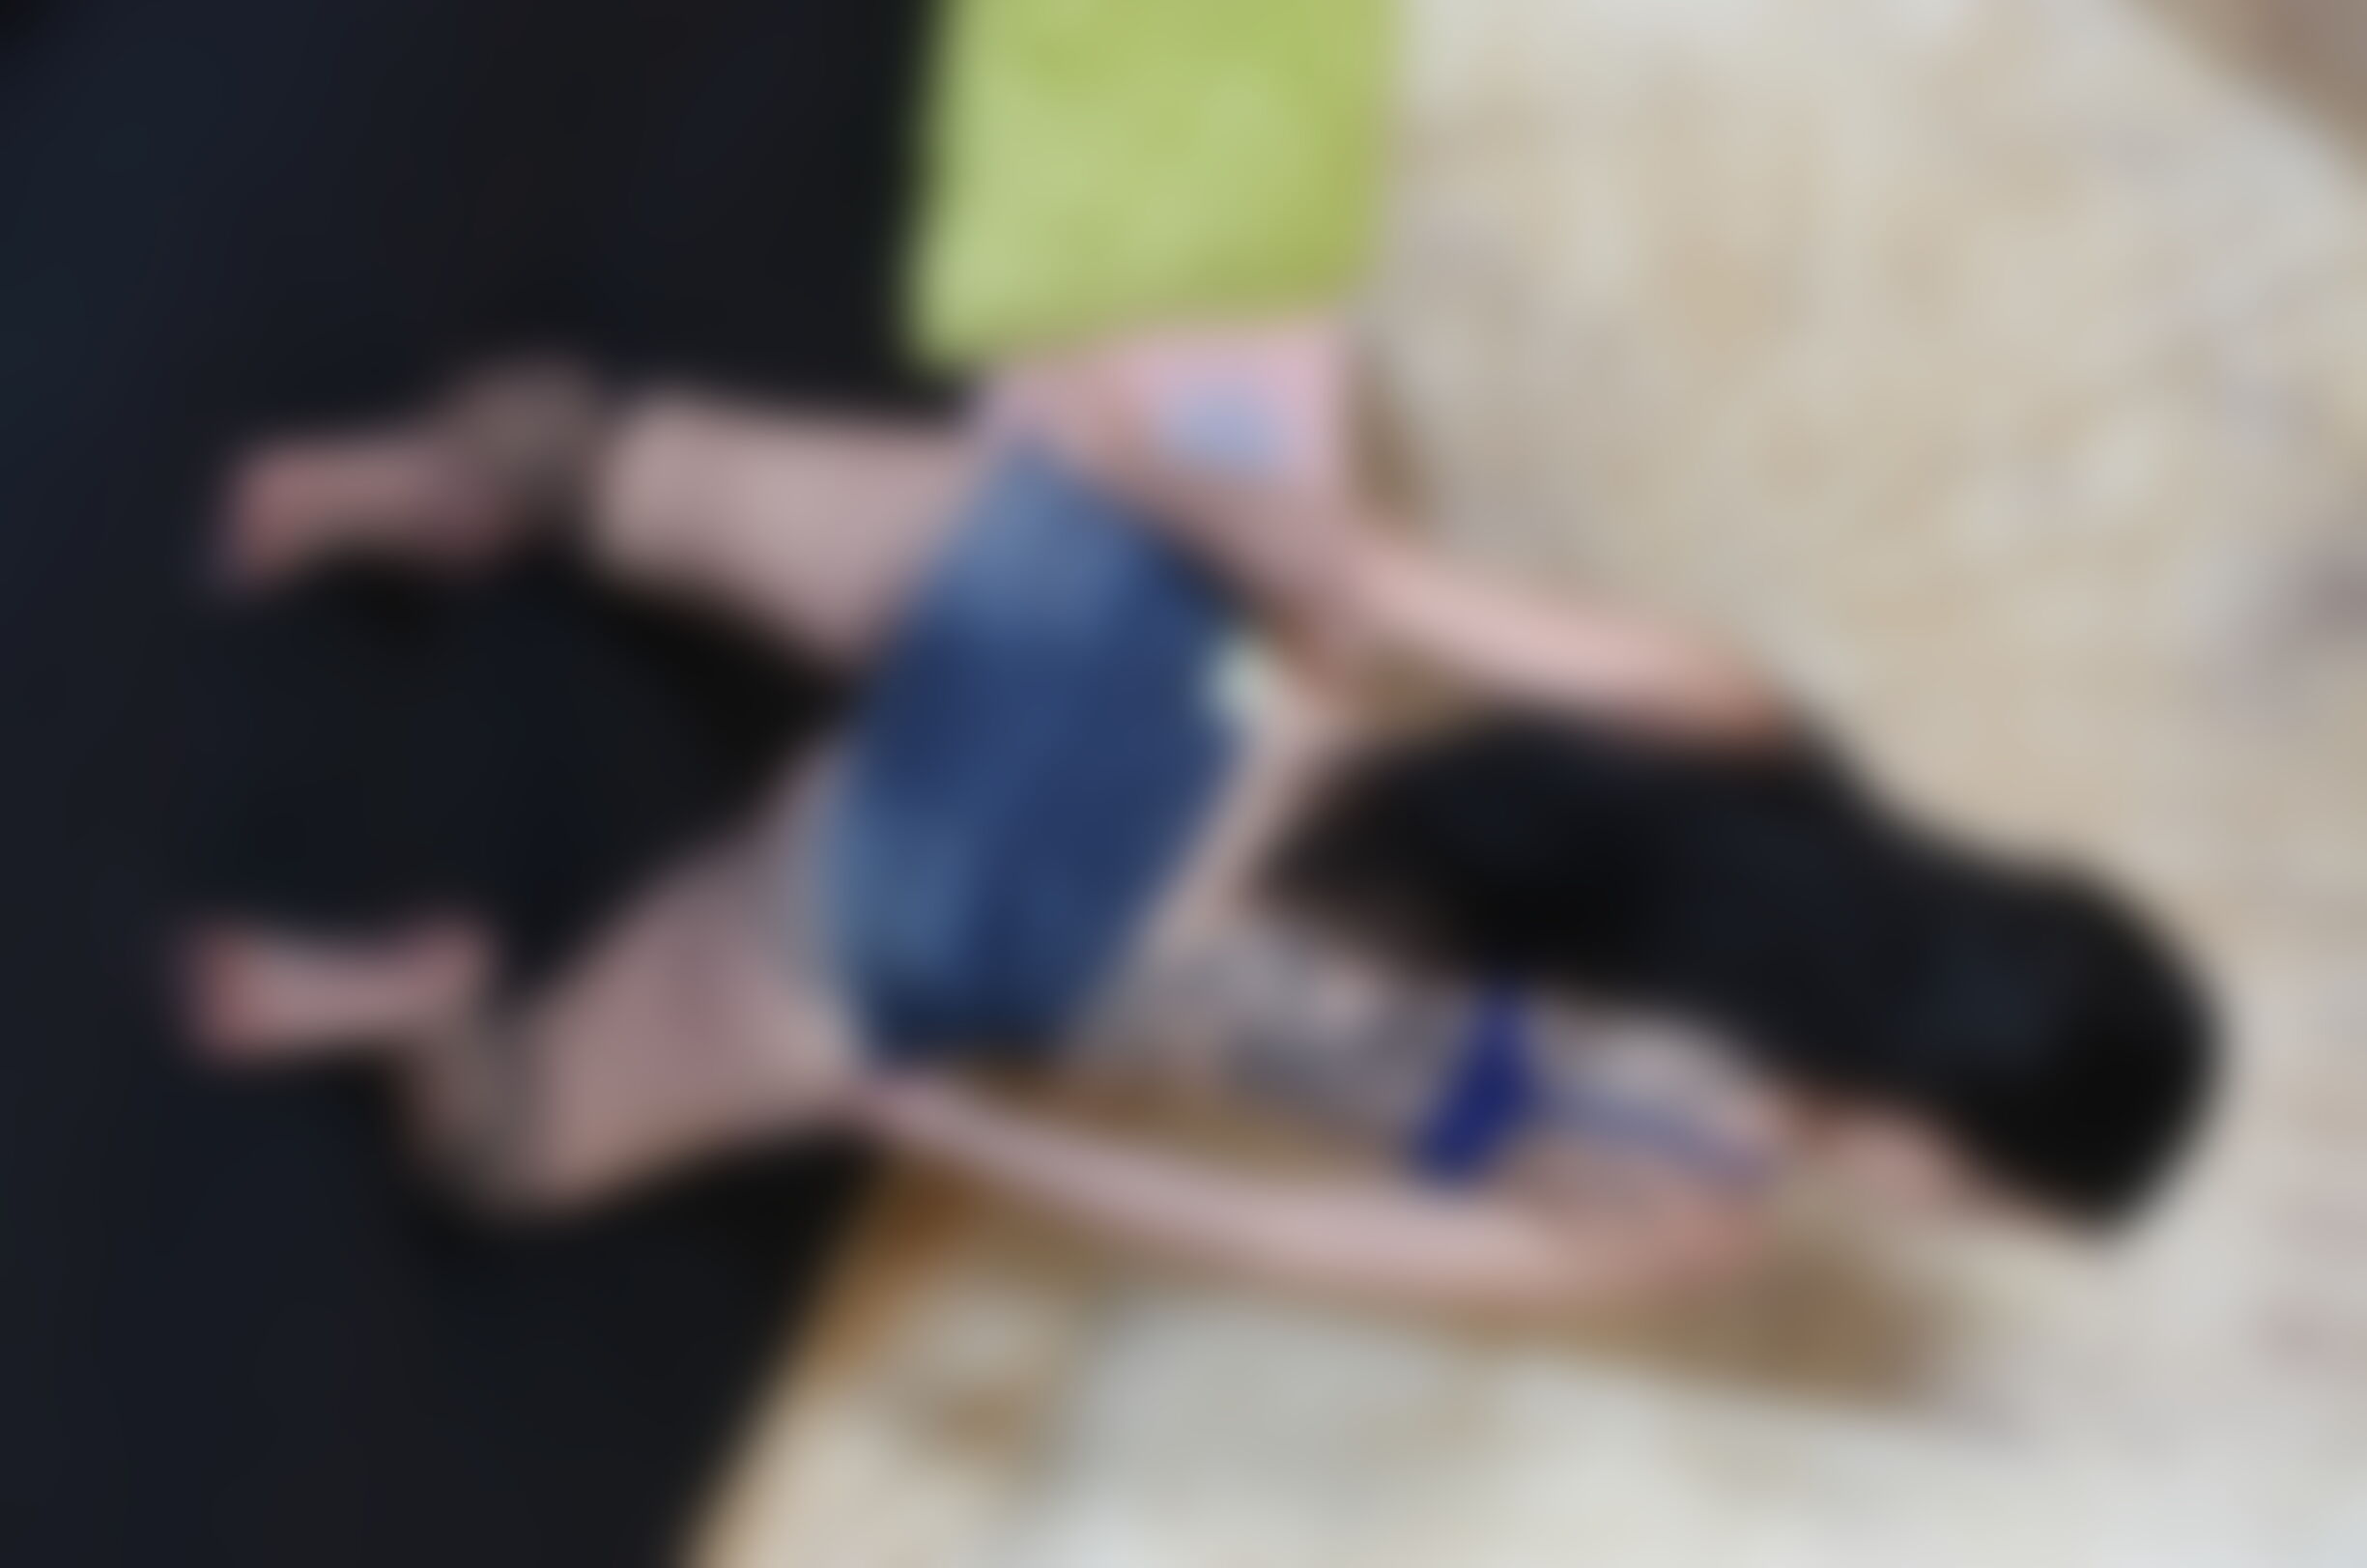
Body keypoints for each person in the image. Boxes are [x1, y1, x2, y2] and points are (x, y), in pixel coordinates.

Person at [184, 320, 2215, 1316]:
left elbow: (1352, 579)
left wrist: (1115, 457)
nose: (1938, 1217)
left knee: (594, 449)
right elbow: (1271, 1230)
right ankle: (397, 999)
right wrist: (932, 1117)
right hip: (969, 907)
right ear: (1959, 1141)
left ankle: (365, 487)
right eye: (1980, 1205)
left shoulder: (1737, 725)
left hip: (1080, 641)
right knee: (505, 1150)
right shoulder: (1687, 1207)